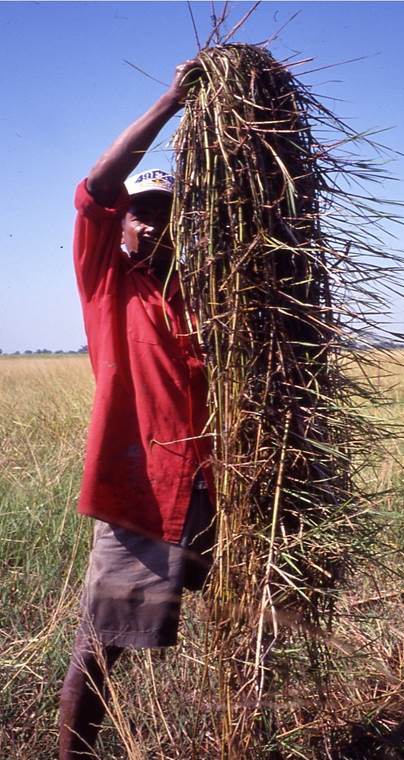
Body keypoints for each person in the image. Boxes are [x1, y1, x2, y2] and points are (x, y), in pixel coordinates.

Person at [59, 59, 216, 759]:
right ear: (120, 223)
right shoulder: (105, 283)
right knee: (100, 646)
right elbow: (95, 186)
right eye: (139, 215)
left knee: (253, 624)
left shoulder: (207, 297)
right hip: (142, 494)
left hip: (218, 488)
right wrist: (172, 102)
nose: (150, 228)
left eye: (164, 216)